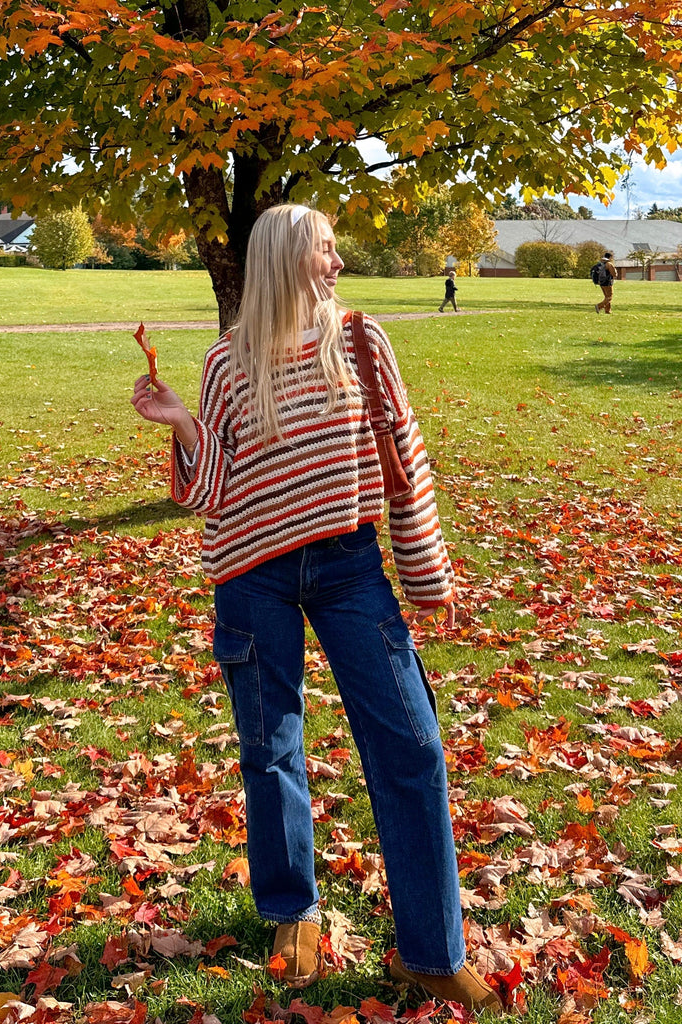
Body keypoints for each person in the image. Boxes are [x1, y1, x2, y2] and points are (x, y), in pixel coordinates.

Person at [130, 204, 502, 1017]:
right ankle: (291, 911)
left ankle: (432, 954)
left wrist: (427, 573)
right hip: (253, 575)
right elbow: (209, 495)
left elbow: (405, 458)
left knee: (412, 744)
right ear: (287, 257)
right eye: (327, 249)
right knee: (271, 750)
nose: (339, 261)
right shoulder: (228, 362)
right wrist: (183, 425)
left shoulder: (362, 341)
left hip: (350, 569)